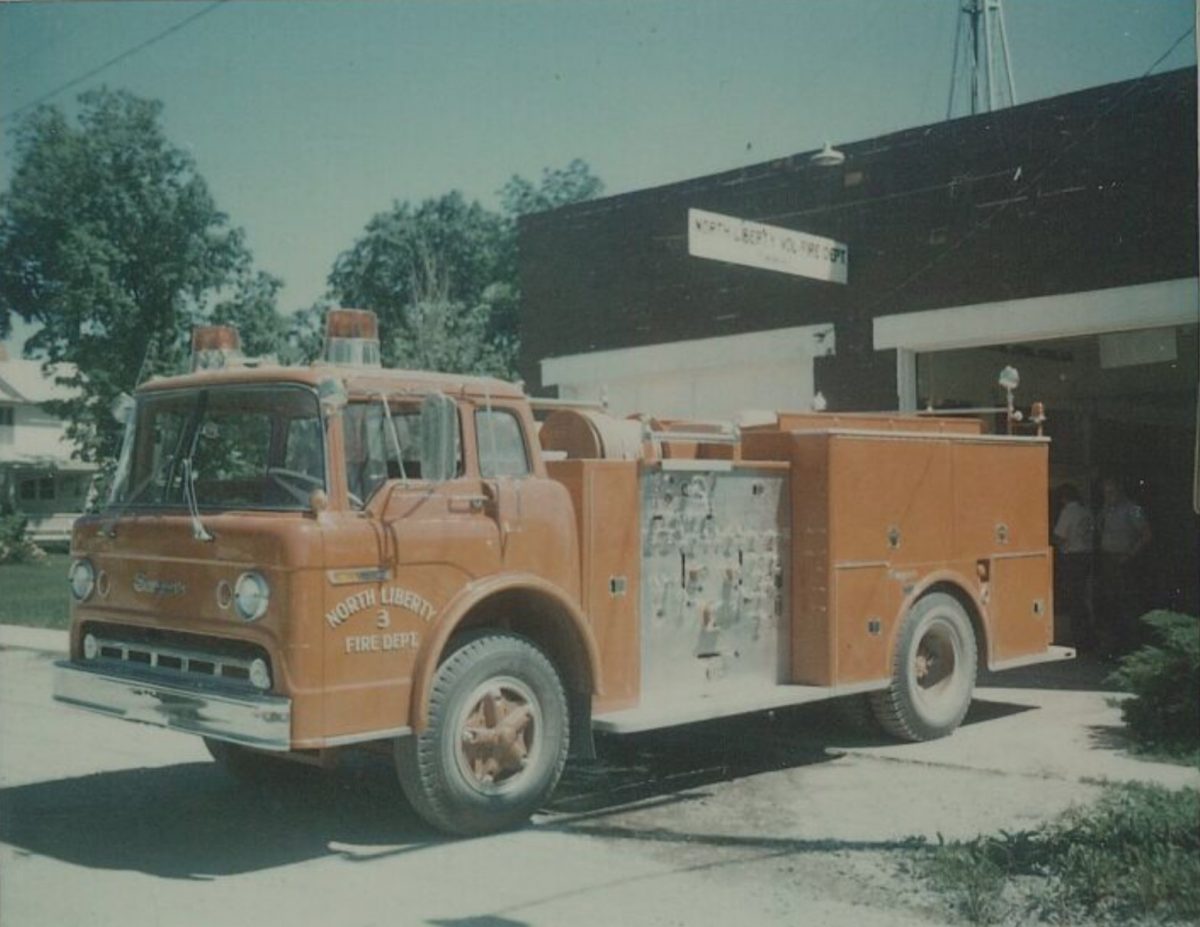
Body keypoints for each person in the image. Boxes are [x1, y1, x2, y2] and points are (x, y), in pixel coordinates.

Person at [1095, 476, 1152, 655]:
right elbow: (1098, 528)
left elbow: (1147, 535)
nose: (1108, 495)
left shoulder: (1133, 509)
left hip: (1125, 561)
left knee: (1127, 603)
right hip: (1107, 559)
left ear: (1119, 490)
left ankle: (1132, 647)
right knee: (1109, 603)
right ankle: (1112, 645)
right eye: (1105, 492)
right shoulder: (1106, 509)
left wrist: (1130, 555)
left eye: (1111, 491)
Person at [1052, 483, 1094, 650]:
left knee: (1074, 598)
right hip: (1086, 555)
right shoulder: (1086, 511)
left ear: (1064, 498)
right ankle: (1086, 635)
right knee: (1082, 596)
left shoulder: (1068, 512)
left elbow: (1059, 536)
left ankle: (1081, 638)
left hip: (1072, 557)